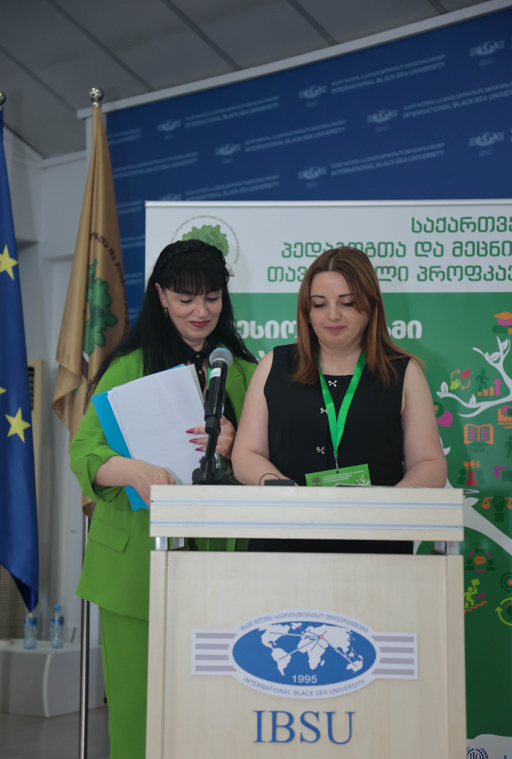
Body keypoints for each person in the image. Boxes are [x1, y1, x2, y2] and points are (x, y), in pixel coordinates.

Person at [70, 239, 256, 759]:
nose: (201, 311)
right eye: (185, 298)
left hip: (223, 568)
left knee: (213, 713)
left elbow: (269, 462)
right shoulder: (129, 365)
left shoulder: (246, 371)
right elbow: (84, 453)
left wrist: (237, 445)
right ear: (161, 296)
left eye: (212, 298)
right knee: (138, 711)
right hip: (135, 570)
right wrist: (137, 472)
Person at [232, 246, 447, 552]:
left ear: (370, 305)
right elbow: (245, 454)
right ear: (307, 311)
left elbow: (429, 462)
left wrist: (391, 504)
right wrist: (281, 488)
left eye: (347, 303)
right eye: (319, 304)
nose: (333, 315)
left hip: (376, 543)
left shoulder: (403, 371)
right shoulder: (274, 364)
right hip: (284, 538)